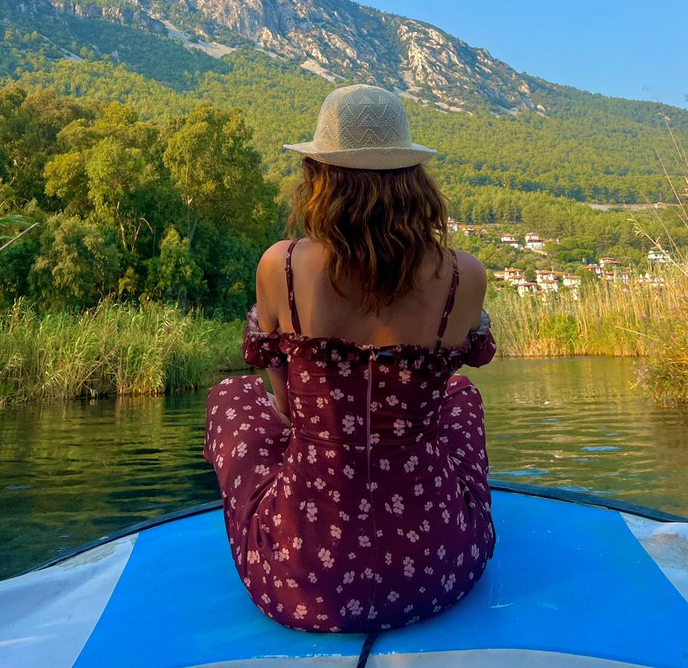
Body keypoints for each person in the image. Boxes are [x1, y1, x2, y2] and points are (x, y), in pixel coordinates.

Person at [203, 84, 496, 634]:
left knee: (231, 396)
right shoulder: (464, 275)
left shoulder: (281, 267)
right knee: (462, 397)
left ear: (318, 177)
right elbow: (455, 374)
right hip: (439, 567)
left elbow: (286, 405)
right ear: (414, 178)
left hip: (304, 577)